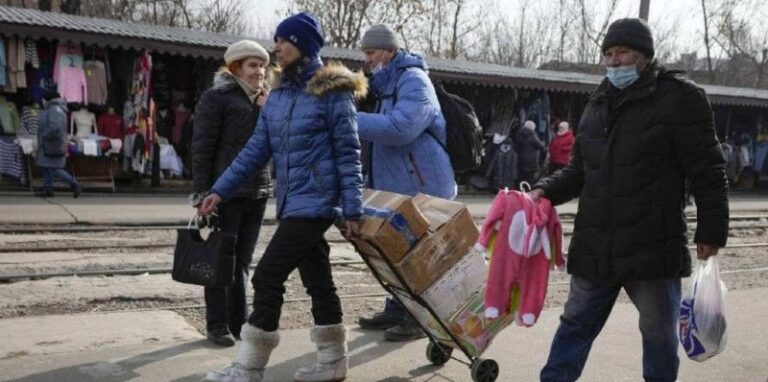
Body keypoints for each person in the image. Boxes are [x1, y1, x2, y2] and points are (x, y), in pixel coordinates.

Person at [530, 18, 729, 382]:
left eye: (622, 52)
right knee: (574, 325)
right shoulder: (598, 101)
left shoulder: (679, 98)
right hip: (596, 246)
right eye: (607, 53)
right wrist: (545, 190)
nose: (613, 61)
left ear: (644, 56)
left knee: (657, 337)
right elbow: (579, 171)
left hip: (651, 247)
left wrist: (711, 230)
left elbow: (708, 170)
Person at [198, 12, 366, 382]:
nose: (276, 47)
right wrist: (218, 191)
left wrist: (353, 208)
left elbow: (348, 153)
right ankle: (333, 362)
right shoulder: (278, 96)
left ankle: (248, 368)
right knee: (317, 277)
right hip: (293, 202)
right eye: (277, 40)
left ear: (303, 45)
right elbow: (254, 151)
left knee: (267, 276)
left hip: (318, 202)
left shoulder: (332, 92)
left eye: (283, 40)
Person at [354, 24, 457, 342]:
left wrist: (348, 119)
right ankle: (398, 308)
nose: (368, 60)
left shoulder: (414, 79)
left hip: (422, 184)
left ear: (388, 51)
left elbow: (401, 128)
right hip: (400, 183)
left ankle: (420, 318)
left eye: (371, 53)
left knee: (418, 253)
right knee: (395, 249)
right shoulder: (387, 84)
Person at [191, 39, 272, 347]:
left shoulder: (266, 100)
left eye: (263, 65)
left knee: (242, 262)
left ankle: (239, 321)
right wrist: (201, 192)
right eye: (253, 65)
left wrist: (268, 110)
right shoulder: (217, 98)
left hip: (258, 191)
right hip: (224, 192)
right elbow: (202, 147)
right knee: (221, 259)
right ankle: (217, 323)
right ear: (236, 67)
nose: (260, 71)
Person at [35, 90, 81, 198]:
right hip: (48, 144)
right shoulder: (52, 109)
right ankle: (48, 189)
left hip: (52, 144)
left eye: (44, 99)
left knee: (54, 168)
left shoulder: (55, 109)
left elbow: (55, 128)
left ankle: (74, 184)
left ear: (48, 100)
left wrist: (45, 135)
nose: (42, 101)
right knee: (46, 166)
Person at [514, 120, 546, 188]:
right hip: (531, 161)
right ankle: (527, 192)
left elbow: (515, 147)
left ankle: (520, 191)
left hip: (521, 159)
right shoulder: (533, 136)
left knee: (521, 177)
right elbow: (541, 147)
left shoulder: (519, 134)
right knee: (529, 179)